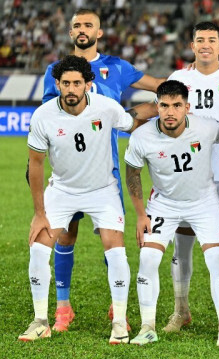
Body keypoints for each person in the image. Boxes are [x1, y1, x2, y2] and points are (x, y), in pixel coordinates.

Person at [40, 8, 163, 332]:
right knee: (66, 235)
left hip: (103, 170)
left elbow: (160, 86)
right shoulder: (56, 71)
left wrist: (192, 81)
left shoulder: (117, 67)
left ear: (99, 32)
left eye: (88, 25)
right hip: (66, 171)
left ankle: (116, 302)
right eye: (77, 25)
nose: (82, 30)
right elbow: (50, 116)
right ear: (70, 33)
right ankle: (63, 306)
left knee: (113, 238)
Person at [20, 55, 148, 343]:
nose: (71, 89)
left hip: (103, 189)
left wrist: (160, 110)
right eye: (65, 83)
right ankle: (41, 320)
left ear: (88, 85)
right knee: (39, 247)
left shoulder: (106, 107)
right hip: (62, 190)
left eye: (77, 83)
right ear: (57, 84)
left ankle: (119, 322)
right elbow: (36, 165)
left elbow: (133, 122)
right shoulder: (43, 115)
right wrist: (39, 212)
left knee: (115, 248)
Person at [124, 80, 219, 347]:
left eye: (176, 106)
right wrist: (140, 215)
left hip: (204, 201)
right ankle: (147, 326)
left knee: (217, 260)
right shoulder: (142, 136)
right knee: (148, 259)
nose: (170, 112)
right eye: (164, 106)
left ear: (187, 107)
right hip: (164, 204)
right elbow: (132, 173)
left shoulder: (207, 127)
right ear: (157, 107)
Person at [163, 21, 219, 336]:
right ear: (192, 44)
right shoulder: (179, 79)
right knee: (182, 247)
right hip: (186, 176)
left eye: (212, 40)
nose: (206, 45)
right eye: (200, 40)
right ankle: (180, 310)